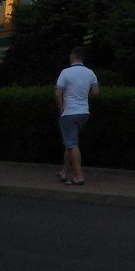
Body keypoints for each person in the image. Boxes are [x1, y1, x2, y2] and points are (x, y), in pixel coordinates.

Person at [55, 47, 98, 185]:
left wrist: (61, 109)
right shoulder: (90, 73)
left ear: (72, 57)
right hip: (84, 112)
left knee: (72, 144)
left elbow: (57, 93)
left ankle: (79, 176)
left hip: (69, 112)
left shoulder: (65, 73)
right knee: (70, 142)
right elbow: (96, 92)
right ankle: (64, 171)